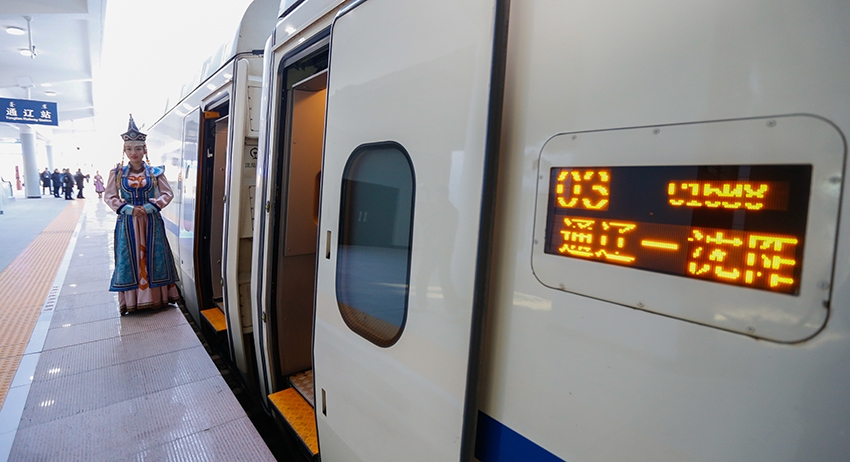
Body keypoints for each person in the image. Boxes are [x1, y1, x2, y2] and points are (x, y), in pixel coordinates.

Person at [105, 115, 179, 314]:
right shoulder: (117, 173)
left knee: (155, 257)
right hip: (128, 223)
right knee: (129, 259)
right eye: (129, 149)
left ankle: (158, 299)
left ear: (144, 149)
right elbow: (110, 196)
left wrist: (149, 207)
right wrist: (128, 209)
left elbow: (167, 194)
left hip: (151, 221)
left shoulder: (155, 172)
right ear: (124, 150)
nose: (133, 153)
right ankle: (132, 302)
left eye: (137, 148)